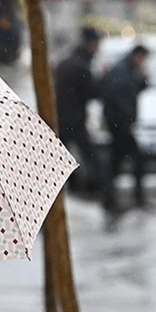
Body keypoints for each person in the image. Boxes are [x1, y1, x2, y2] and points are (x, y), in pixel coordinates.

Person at [101, 44, 150, 224]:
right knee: (135, 159)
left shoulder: (129, 70)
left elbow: (137, 89)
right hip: (120, 125)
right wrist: (124, 121)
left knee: (116, 163)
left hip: (120, 124)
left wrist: (144, 78)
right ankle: (130, 198)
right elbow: (118, 97)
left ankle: (111, 199)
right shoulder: (122, 71)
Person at [55, 27, 106, 195]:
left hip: (62, 118)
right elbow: (92, 93)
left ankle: (76, 186)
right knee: (91, 157)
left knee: (61, 158)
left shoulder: (67, 62)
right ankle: (104, 193)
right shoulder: (81, 66)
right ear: (92, 44)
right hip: (74, 120)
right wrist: (103, 79)